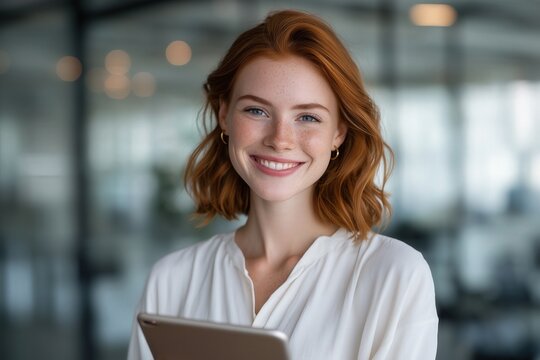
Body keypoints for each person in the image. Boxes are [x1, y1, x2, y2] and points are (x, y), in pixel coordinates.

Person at [128, 9, 438, 360]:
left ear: (338, 133)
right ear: (224, 114)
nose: (280, 139)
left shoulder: (393, 275)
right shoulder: (172, 280)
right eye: (257, 111)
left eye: (307, 117)